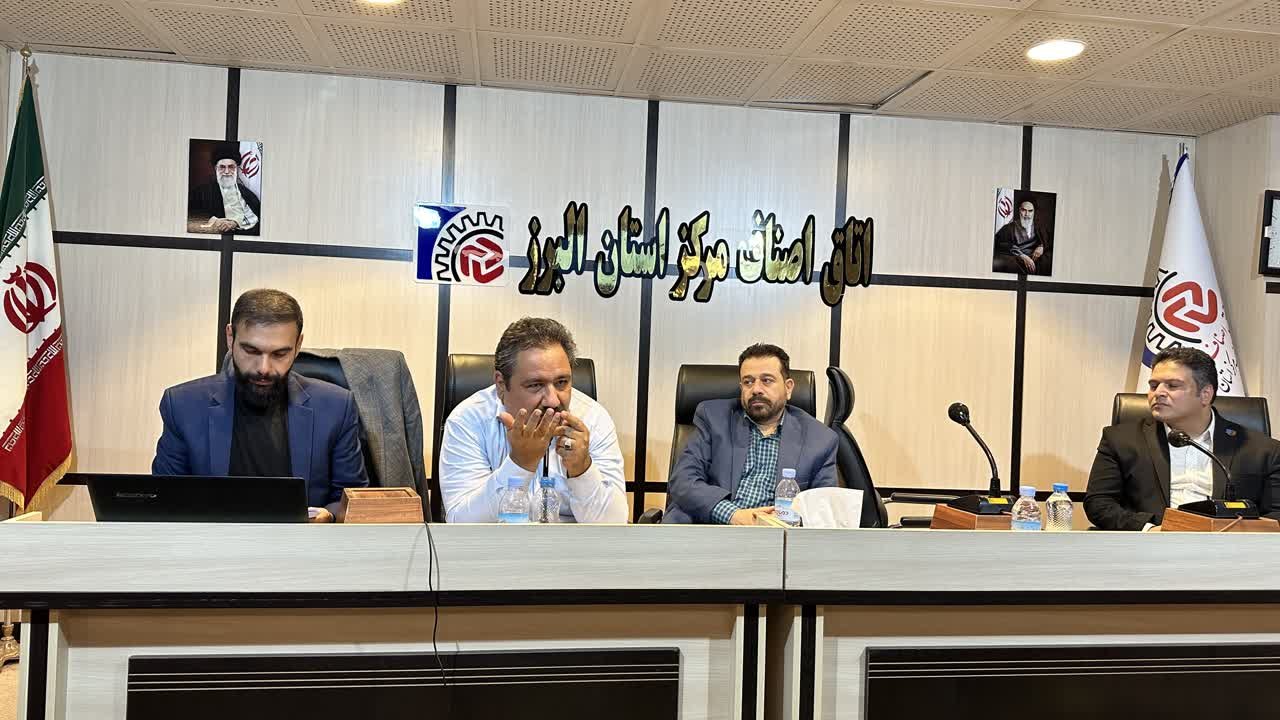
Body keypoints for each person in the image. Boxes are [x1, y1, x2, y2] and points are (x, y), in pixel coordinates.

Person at [152, 289, 368, 522]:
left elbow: (352, 501)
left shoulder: (337, 407)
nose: (264, 368)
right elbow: (165, 500)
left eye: (280, 354)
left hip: (303, 541)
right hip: (213, 541)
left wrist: (329, 517)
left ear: (298, 344)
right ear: (230, 337)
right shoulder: (182, 406)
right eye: (251, 351)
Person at [439, 317, 627, 523]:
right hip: (499, 544)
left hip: (573, 544)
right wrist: (520, 463)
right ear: (501, 384)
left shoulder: (593, 418)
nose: (553, 400)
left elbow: (614, 525)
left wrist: (582, 469)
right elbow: (462, 523)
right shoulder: (468, 421)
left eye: (562, 382)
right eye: (535, 385)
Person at [1085, 347, 1280, 531]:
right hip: (1151, 546)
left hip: (1228, 548)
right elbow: (1099, 502)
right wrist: (1150, 529)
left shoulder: (1262, 450)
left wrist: (1231, 535)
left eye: (1172, 386)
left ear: (1205, 394)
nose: (1158, 393)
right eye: (1153, 385)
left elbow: (1276, 513)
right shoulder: (1120, 440)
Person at [665, 343, 839, 524]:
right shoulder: (713, 417)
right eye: (748, 382)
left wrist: (778, 522)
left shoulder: (821, 439)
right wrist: (733, 515)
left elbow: (822, 509)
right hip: (712, 528)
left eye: (767, 380)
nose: (756, 389)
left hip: (776, 534)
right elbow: (683, 480)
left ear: (788, 388)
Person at [188, 142, 261, 235]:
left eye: (231, 167)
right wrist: (214, 221)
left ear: (237, 169)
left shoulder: (247, 194)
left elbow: (258, 221)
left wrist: (236, 223)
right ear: (216, 168)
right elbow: (189, 218)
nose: (226, 171)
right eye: (222, 167)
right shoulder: (199, 193)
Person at [993, 199, 1051, 275]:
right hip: (1016, 258)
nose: (1027, 214)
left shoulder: (1039, 227)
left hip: (1035, 257)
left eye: (1030, 211)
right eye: (1024, 210)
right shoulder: (1008, 228)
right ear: (1019, 210)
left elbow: (1049, 241)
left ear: (1034, 212)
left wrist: (1042, 247)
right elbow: (1000, 243)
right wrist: (1022, 256)